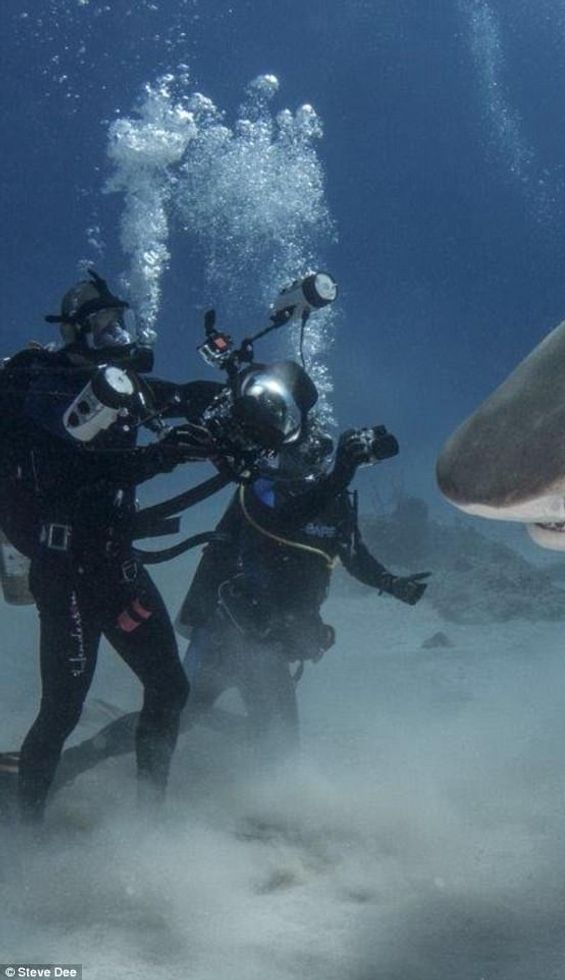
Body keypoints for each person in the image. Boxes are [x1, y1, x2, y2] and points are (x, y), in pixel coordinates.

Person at [40, 422, 430, 787]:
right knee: (178, 715)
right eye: (303, 448)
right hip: (227, 633)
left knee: (280, 744)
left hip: (275, 642)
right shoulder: (260, 489)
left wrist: (391, 583)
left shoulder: (337, 501)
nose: (313, 456)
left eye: (322, 450)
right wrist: (340, 474)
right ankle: (73, 761)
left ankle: (250, 785)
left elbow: (353, 554)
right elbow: (283, 521)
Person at [0, 271, 220, 823]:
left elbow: (180, 396)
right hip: (65, 573)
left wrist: (238, 396)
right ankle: (28, 832)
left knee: (169, 688)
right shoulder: (43, 387)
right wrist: (159, 458)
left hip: (115, 565)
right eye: (101, 325)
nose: (115, 334)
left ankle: (150, 823)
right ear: (72, 332)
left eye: (120, 322)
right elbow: (72, 476)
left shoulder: (126, 388)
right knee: (62, 709)